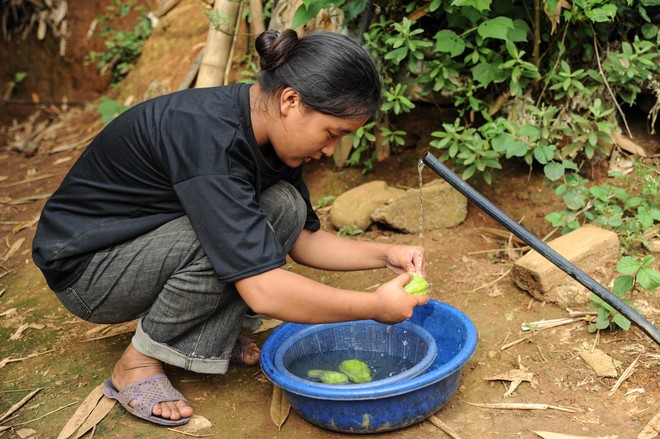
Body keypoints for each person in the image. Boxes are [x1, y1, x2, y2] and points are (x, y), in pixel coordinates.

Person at [32, 28, 428, 427]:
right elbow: (263, 291)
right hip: (89, 271)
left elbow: (304, 240)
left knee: (283, 207)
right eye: (331, 133)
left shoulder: (268, 136)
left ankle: (207, 336)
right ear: (291, 100)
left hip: (144, 244)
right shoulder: (210, 139)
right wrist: (374, 308)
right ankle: (136, 365)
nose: (329, 150)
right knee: (221, 241)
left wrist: (385, 255)